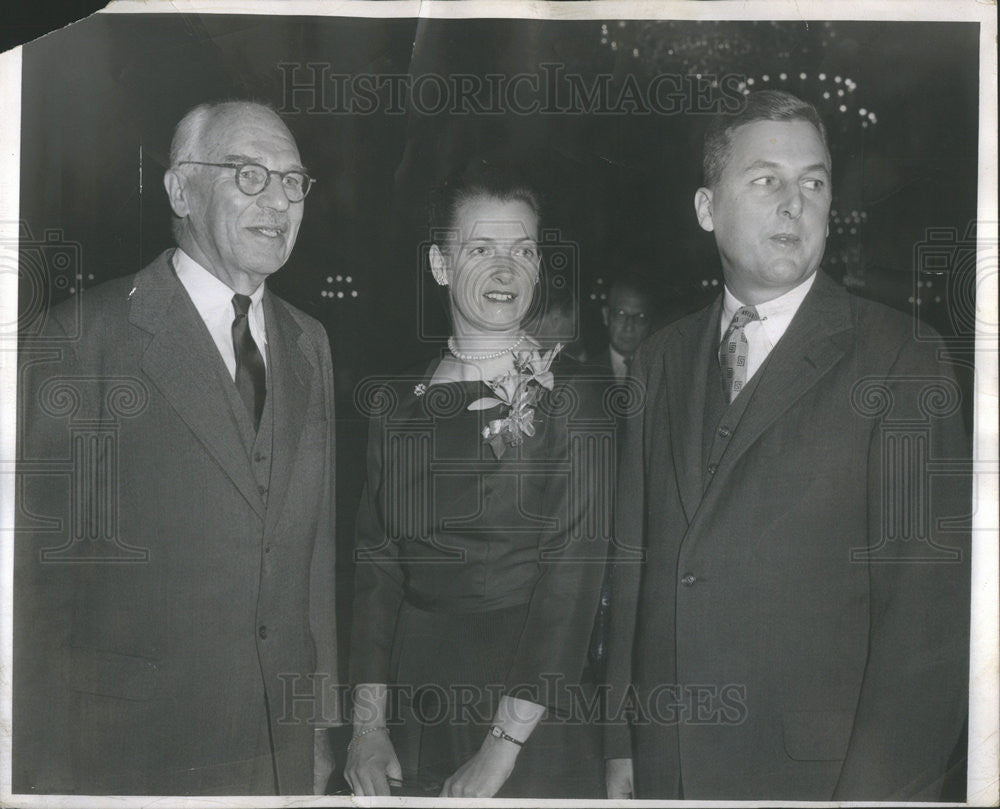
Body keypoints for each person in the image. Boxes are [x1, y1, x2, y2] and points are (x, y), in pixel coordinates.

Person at [604, 90, 970, 801]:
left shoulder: (902, 358)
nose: (794, 202)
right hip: (669, 762)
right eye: (766, 179)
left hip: (820, 777)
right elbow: (633, 564)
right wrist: (625, 739)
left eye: (814, 181)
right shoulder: (660, 359)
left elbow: (929, 628)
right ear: (708, 209)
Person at [14, 101, 338, 795]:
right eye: (249, 175)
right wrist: (34, 773)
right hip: (132, 750)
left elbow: (314, 560)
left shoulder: (311, 341)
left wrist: (317, 730)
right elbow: (33, 592)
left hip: (279, 749)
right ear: (181, 189)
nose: (278, 200)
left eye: (293, 180)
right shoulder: (82, 337)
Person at [345, 169, 611, 798]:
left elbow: (573, 580)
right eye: (480, 250)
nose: (505, 270)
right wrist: (366, 727)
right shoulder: (395, 404)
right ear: (440, 264)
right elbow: (376, 570)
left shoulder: (575, 398)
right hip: (410, 706)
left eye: (523, 251)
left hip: (527, 709)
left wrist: (500, 751)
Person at [594, 273, 656, 381]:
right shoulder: (585, 374)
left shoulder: (660, 374)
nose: (629, 327)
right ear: (606, 315)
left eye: (640, 317)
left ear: (650, 322)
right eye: (621, 314)